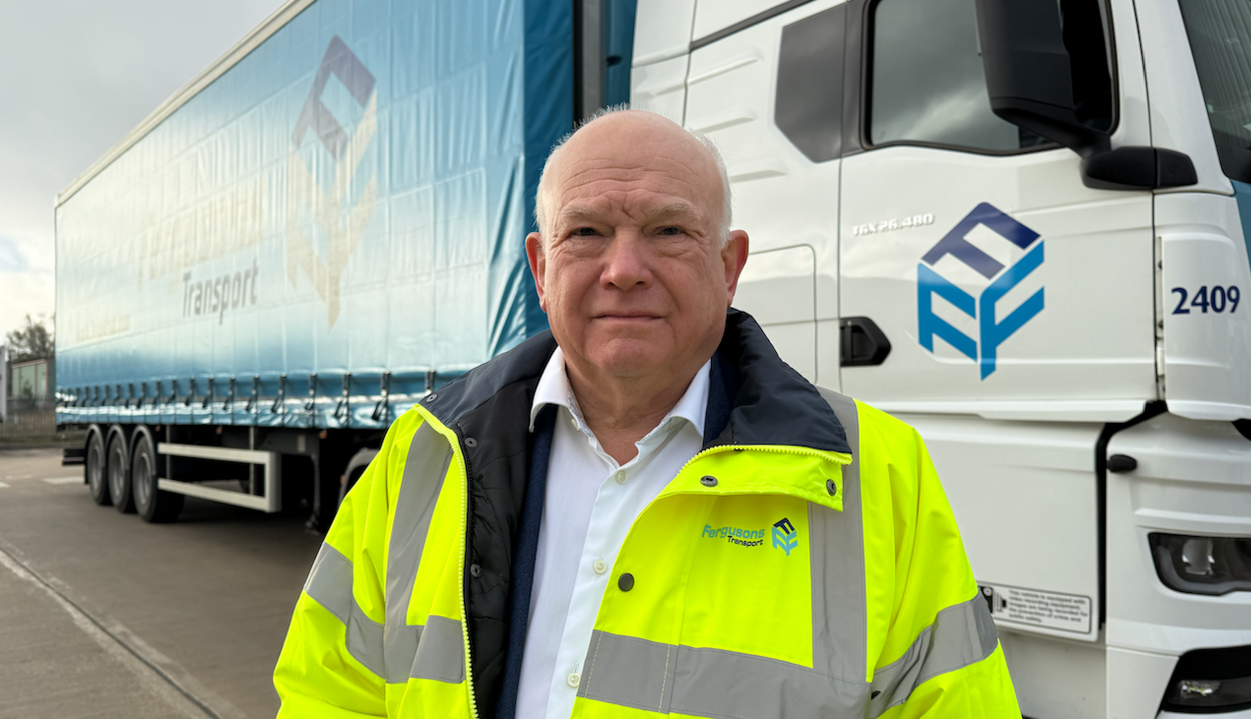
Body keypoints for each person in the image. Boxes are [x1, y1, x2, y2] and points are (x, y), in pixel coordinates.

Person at [274, 109, 1021, 719]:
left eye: (668, 230)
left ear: (728, 266)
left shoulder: (877, 474)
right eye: (587, 231)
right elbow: (327, 692)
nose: (624, 268)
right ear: (540, 267)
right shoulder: (426, 453)